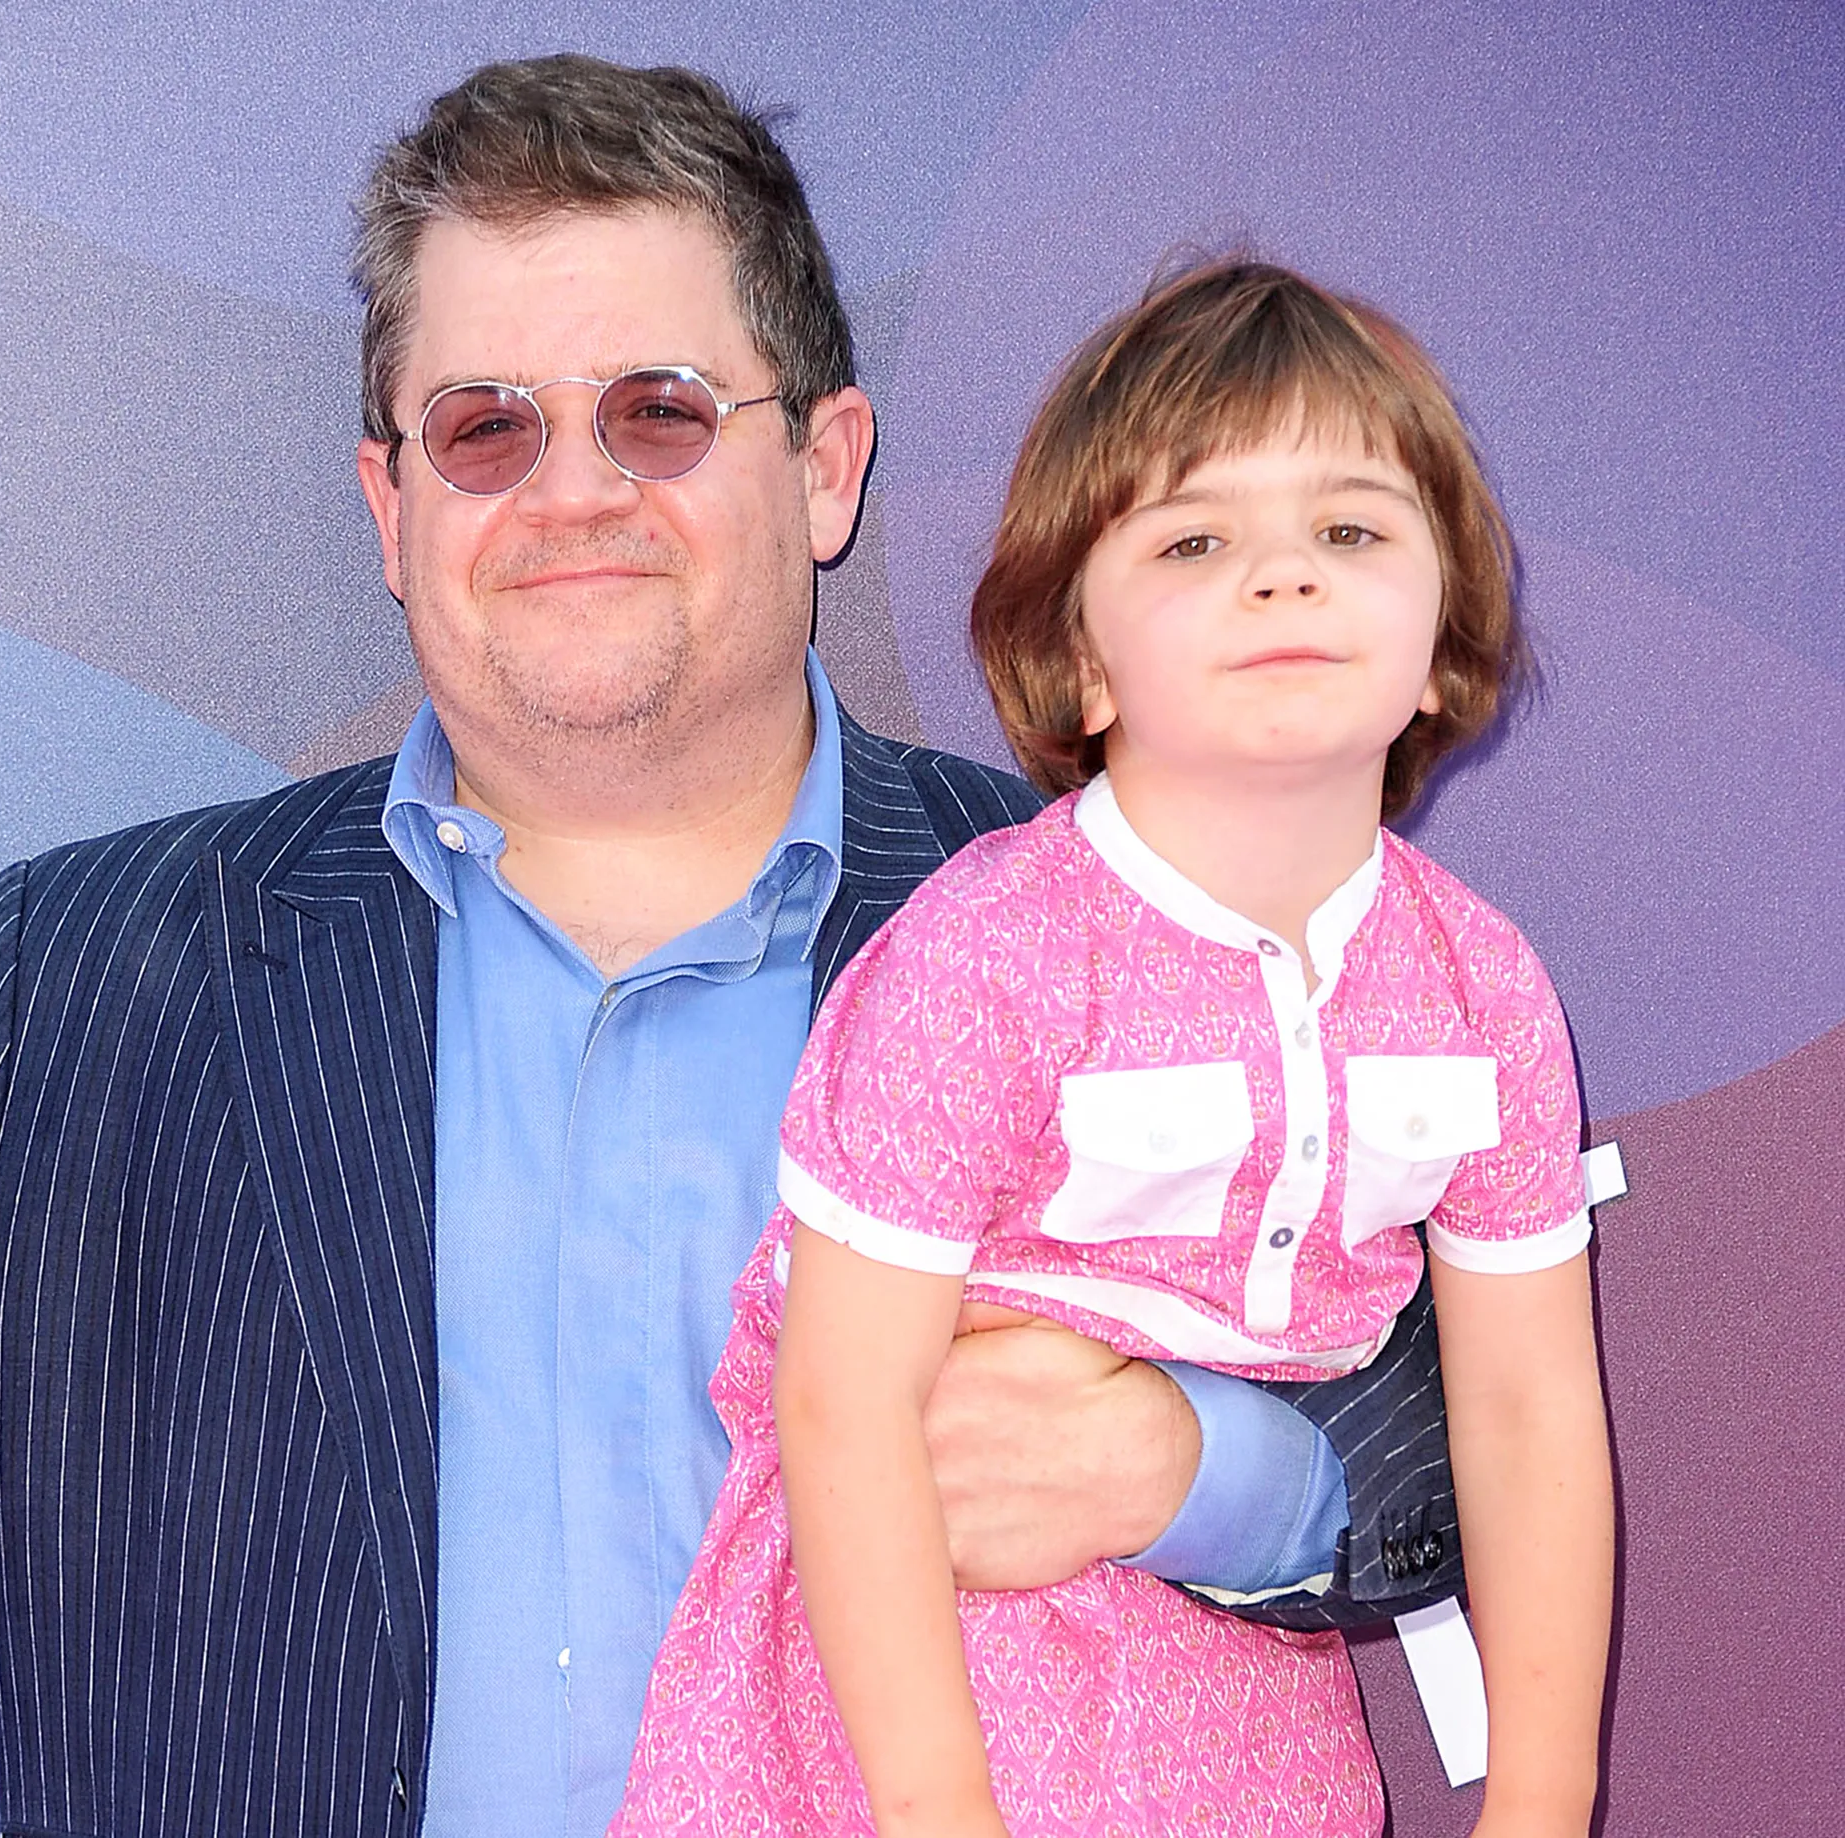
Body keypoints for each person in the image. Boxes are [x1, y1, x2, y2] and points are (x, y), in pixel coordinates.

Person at [0, 61, 1463, 1838]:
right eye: (484, 427)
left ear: (827, 466)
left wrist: (1189, 1465)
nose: (572, 491)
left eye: (661, 411)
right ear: (392, 511)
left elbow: (1447, 1437)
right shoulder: (82, 977)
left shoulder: (1150, 918)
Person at [611, 260, 1613, 1838]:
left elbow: (1529, 1409)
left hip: (1228, 1673)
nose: (1283, 578)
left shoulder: (1483, 987)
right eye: (1197, 539)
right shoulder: (985, 957)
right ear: (1081, 662)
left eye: (1350, 530)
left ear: (1443, 639)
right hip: (899, 1662)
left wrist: (1542, 1803)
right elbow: (844, 1406)